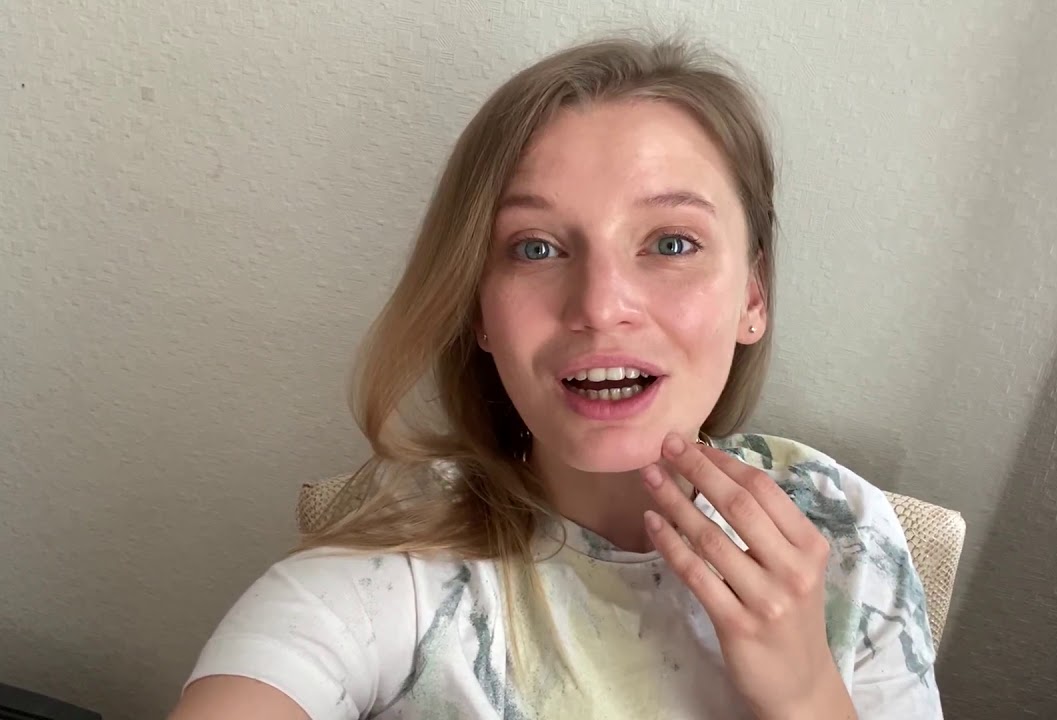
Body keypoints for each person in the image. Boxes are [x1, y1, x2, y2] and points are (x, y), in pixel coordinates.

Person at [170, 36, 942, 720]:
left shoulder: (845, 536)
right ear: (478, 307)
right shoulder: (399, 563)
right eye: (536, 248)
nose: (600, 307)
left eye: (672, 243)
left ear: (753, 295)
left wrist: (807, 698)